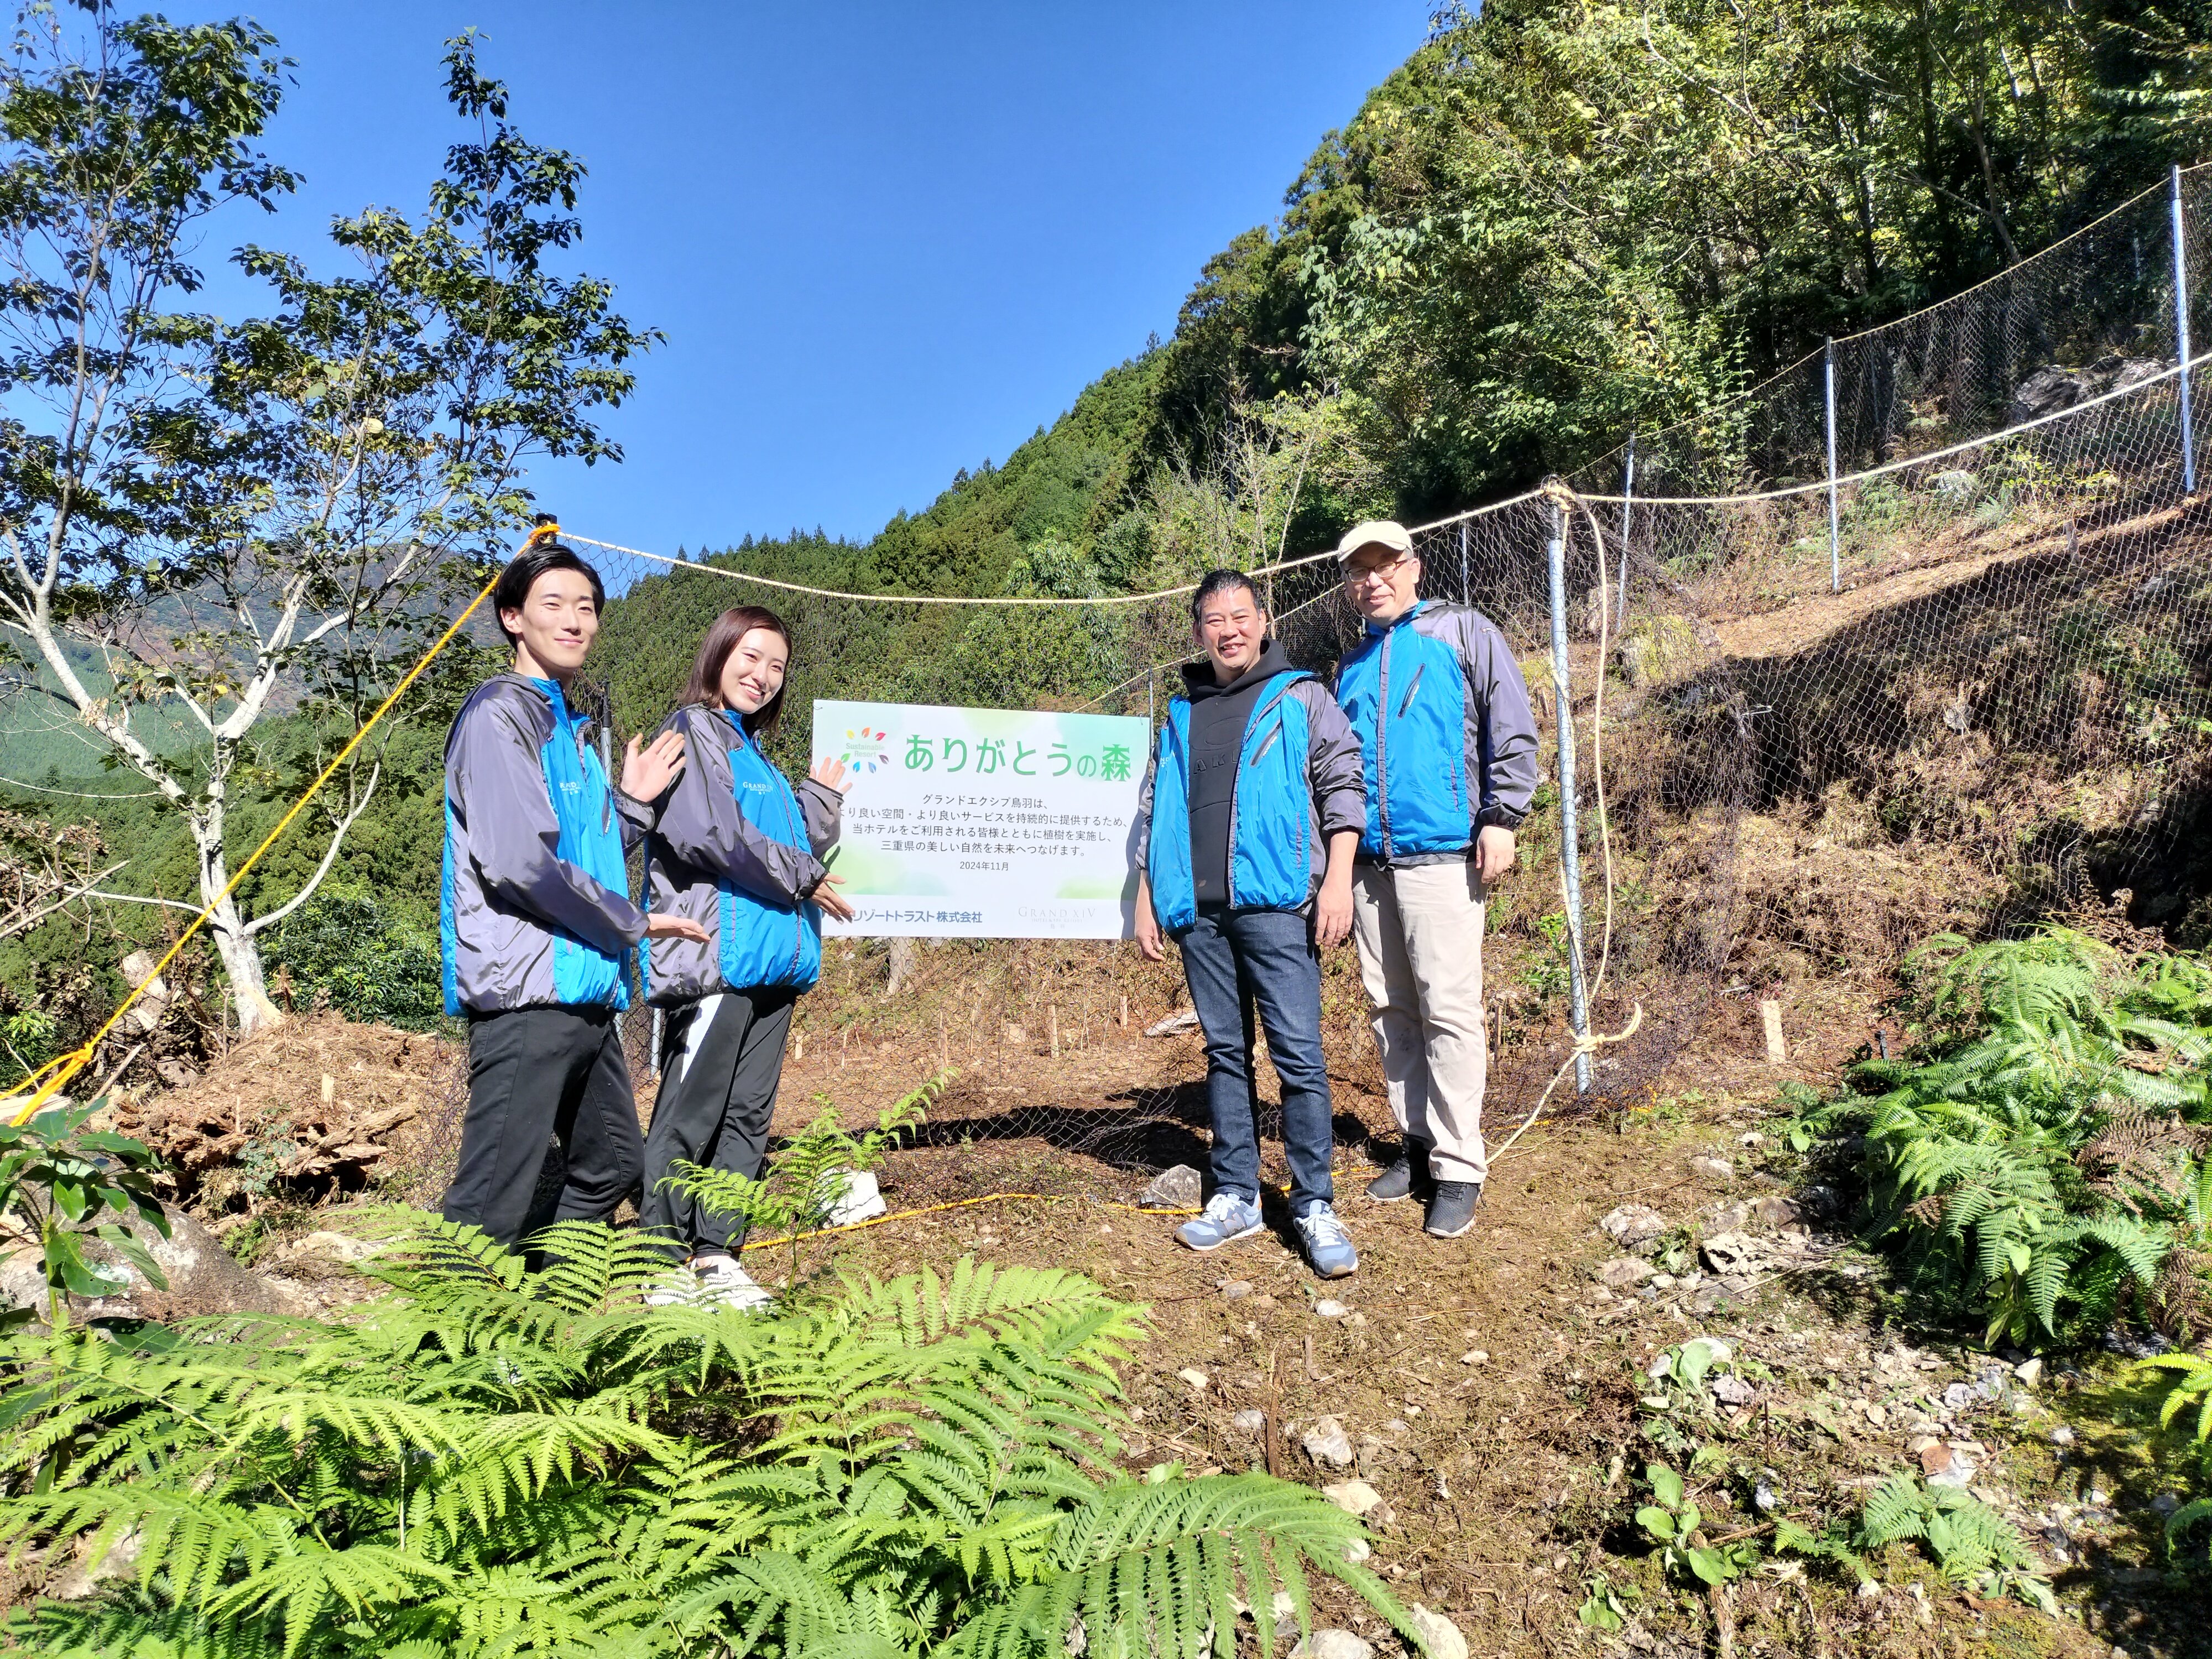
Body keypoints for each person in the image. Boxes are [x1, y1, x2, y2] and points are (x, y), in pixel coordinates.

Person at [440, 527, 708, 1251]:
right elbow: (519, 865)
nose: (574, 619)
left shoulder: (568, 731)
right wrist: (634, 923)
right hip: (528, 994)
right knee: (488, 1204)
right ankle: (451, 1352)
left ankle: (547, 1311)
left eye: (587, 606)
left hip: (585, 991)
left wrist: (633, 805)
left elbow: (587, 860)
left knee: (614, 1162)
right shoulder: (500, 715)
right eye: (553, 603)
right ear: (512, 617)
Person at [1134, 570, 1369, 1277]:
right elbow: (1155, 813)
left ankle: (1312, 1202)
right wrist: (1147, 897)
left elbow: (1343, 783)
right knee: (1225, 1053)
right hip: (1200, 916)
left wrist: (1337, 879)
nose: (1229, 629)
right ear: (1198, 631)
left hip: (1277, 904)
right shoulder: (1179, 714)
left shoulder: (1301, 696)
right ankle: (1236, 1193)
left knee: (1298, 1054)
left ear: (1264, 621)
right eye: (1214, 618)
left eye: (1241, 615)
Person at [638, 606, 854, 1307]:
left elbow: (798, 856)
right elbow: (710, 835)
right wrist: (806, 876)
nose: (762, 676)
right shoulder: (694, 732)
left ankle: (717, 1256)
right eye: (751, 657)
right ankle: (660, 1260)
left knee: (747, 1115)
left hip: (772, 963)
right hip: (717, 958)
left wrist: (818, 801)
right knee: (691, 1108)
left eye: (777, 668)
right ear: (719, 653)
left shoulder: (754, 754)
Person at [1333, 519, 1540, 1240]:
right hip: (1369, 866)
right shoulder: (1352, 666)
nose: (1373, 579)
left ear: (1413, 567)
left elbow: (1511, 725)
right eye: (1359, 570)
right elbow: (1339, 771)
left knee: (1448, 1009)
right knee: (1391, 1009)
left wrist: (1503, 816)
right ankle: (1417, 1146)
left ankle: (1459, 1167)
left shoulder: (1463, 633)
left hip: (1444, 854)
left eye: (1385, 564)